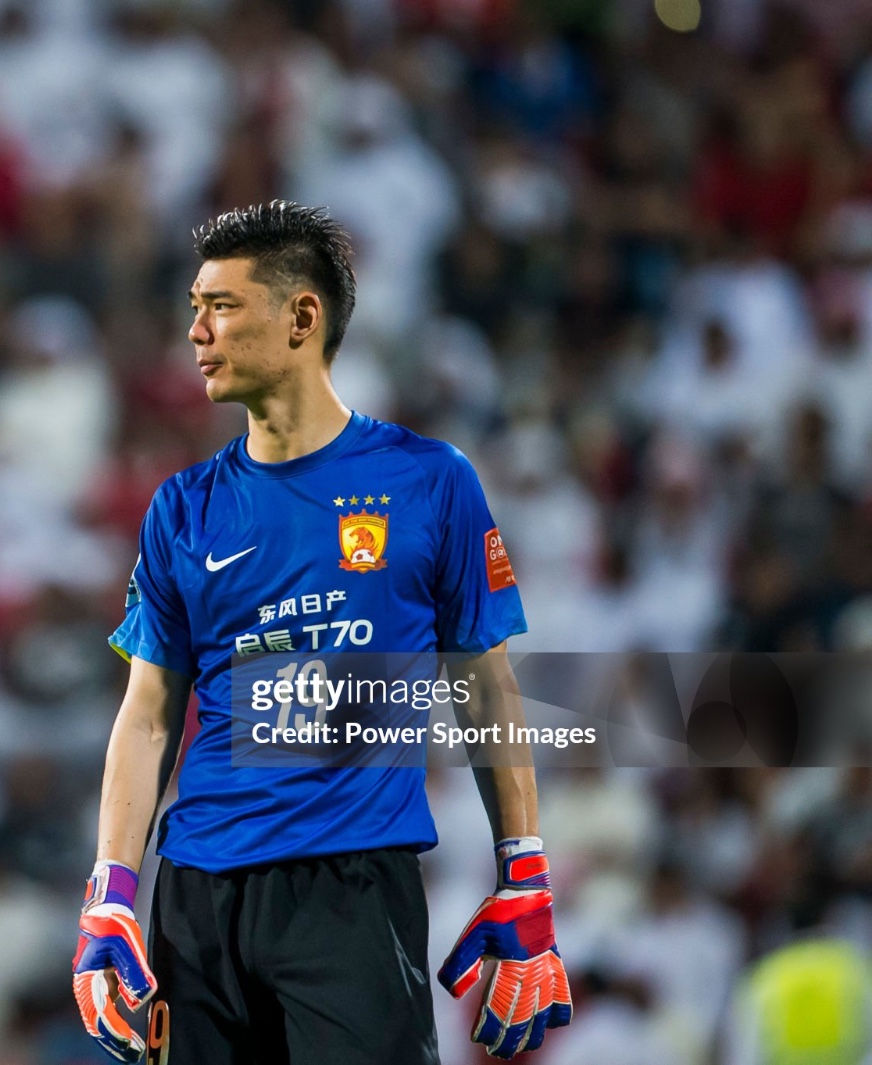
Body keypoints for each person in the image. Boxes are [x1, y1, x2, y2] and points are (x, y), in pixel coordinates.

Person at [71, 202, 571, 1063]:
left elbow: (486, 685)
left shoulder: (429, 482)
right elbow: (148, 712)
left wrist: (523, 868)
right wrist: (112, 890)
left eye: (221, 306)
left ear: (302, 317)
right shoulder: (182, 508)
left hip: (351, 889)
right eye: (194, 306)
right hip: (196, 898)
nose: (195, 331)